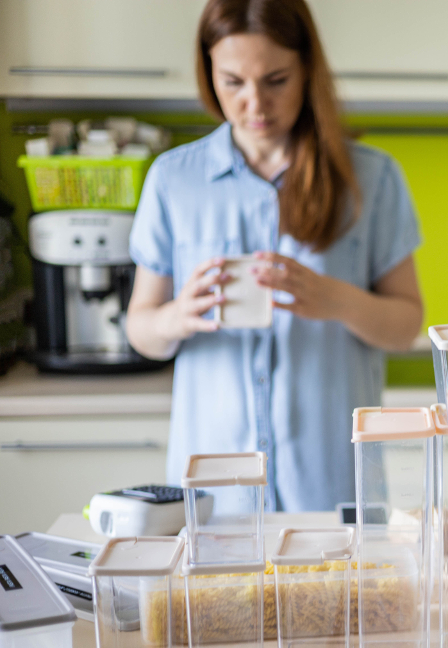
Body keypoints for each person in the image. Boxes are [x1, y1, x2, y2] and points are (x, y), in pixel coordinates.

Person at [126, 0, 423, 511]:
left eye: (276, 80)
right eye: (233, 82)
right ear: (208, 74)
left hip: (334, 490)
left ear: (308, 69)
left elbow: (406, 325)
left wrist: (338, 300)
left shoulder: (372, 179)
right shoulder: (173, 180)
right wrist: (178, 315)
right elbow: (141, 328)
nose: (255, 104)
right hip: (216, 496)